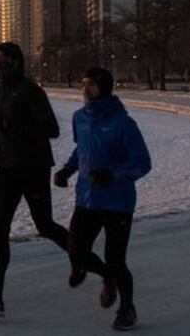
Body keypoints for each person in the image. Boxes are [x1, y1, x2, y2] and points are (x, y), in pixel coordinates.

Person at [0, 42, 71, 318]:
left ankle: (86, 259)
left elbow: (52, 129)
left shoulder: (31, 91)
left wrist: (10, 127)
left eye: (5, 62)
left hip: (34, 167)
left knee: (46, 226)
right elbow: (4, 127)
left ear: (17, 63)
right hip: (7, 168)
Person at [53, 68, 151, 332]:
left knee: (116, 258)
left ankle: (127, 309)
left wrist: (113, 175)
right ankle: (106, 276)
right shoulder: (79, 118)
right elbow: (81, 149)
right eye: (83, 84)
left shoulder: (123, 123)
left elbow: (142, 163)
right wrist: (66, 170)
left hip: (118, 202)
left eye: (92, 85)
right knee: (76, 251)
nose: (85, 90)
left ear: (105, 88)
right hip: (86, 199)